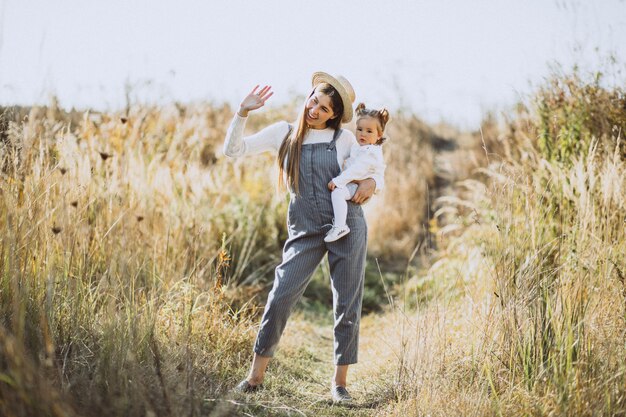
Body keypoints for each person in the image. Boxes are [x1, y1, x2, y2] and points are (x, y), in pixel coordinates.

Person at [222, 72, 385, 403]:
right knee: (280, 296)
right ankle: (254, 378)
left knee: (347, 304)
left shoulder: (344, 140)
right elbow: (233, 150)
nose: (316, 110)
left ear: (335, 116)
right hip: (305, 229)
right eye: (315, 101)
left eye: (326, 109)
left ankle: (339, 385)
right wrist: (242, 112)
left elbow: (371, 166)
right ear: (308, 96)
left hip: (346, 225)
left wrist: (373, 185)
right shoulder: (283, 133)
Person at [325, 103, 389, 242]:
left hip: (358, 186)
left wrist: (338, 180)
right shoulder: (360, 148)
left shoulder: (371, 152)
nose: (363, 134)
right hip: (354, 183)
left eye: (369, 131)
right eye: (359, 129)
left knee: (338, 192)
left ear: (379, 135)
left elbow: (357, 170)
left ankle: (340, 226)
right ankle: (339, 223)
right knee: (338, 194)